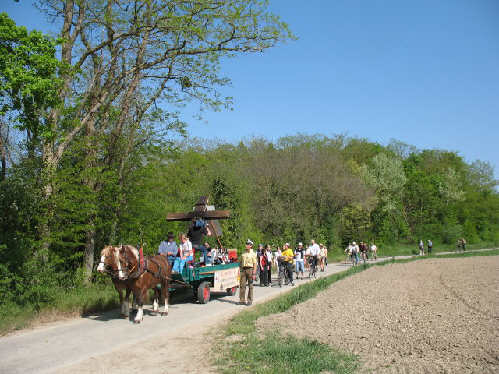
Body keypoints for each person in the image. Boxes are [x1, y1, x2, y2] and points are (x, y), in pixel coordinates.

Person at [239, 239, 257, 305]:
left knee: (250, 285)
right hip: (243, 270)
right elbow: (240, 262)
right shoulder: (243, 253)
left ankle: (249, 300)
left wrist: (254, 273)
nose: (246, 245)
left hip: (250, 269)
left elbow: (255, 264)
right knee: (242, 285)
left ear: (251, 245)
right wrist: (240, 270)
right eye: (246, 244)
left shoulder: (253, 254)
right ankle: (242, 300)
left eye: (248, 244)